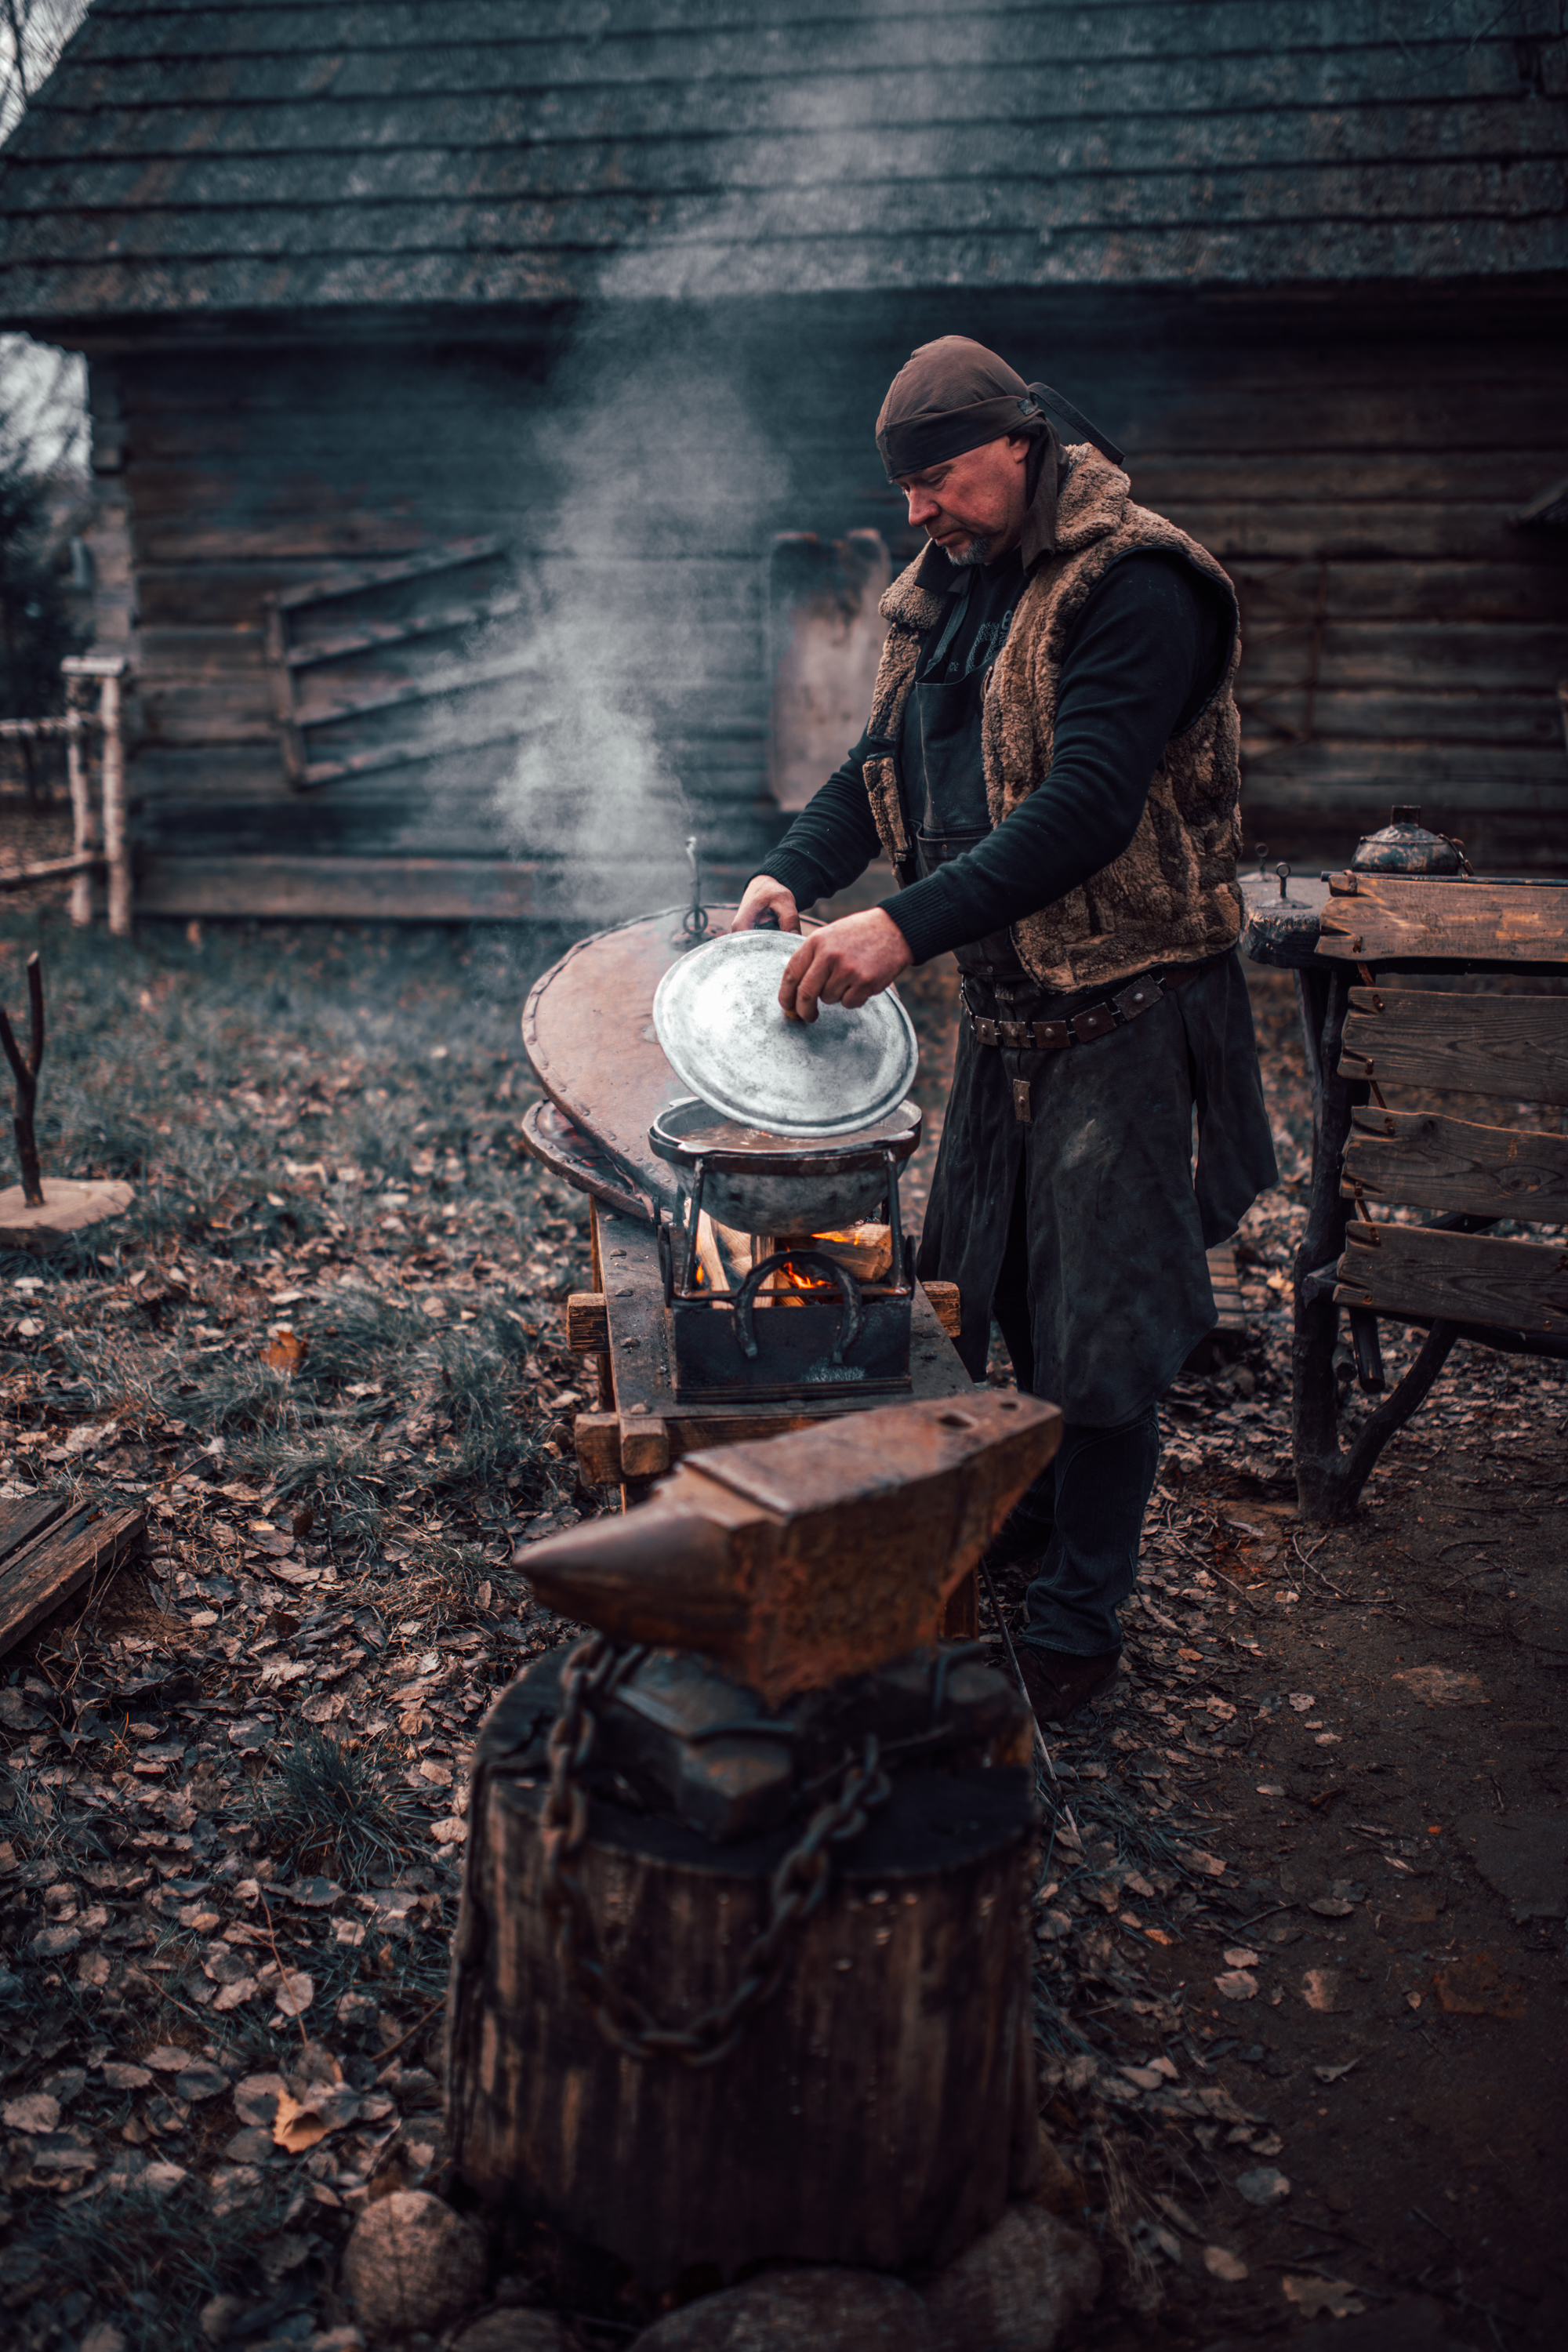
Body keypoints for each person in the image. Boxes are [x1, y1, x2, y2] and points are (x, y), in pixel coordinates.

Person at [731, 336, 1276, 1725]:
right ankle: (1028, 1519)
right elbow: (876, 777)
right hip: (1009, 1008)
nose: (915, 513)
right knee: (990, 1289)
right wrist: (798, 869)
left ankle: (1084, 1624)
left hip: (1132, 1002)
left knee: (1102, 1329)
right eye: (902, 487)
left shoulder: (1137, 582)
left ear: (1020, 442)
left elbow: (1087, 807)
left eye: (938, 479)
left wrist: (902, 931)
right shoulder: (943, 595)